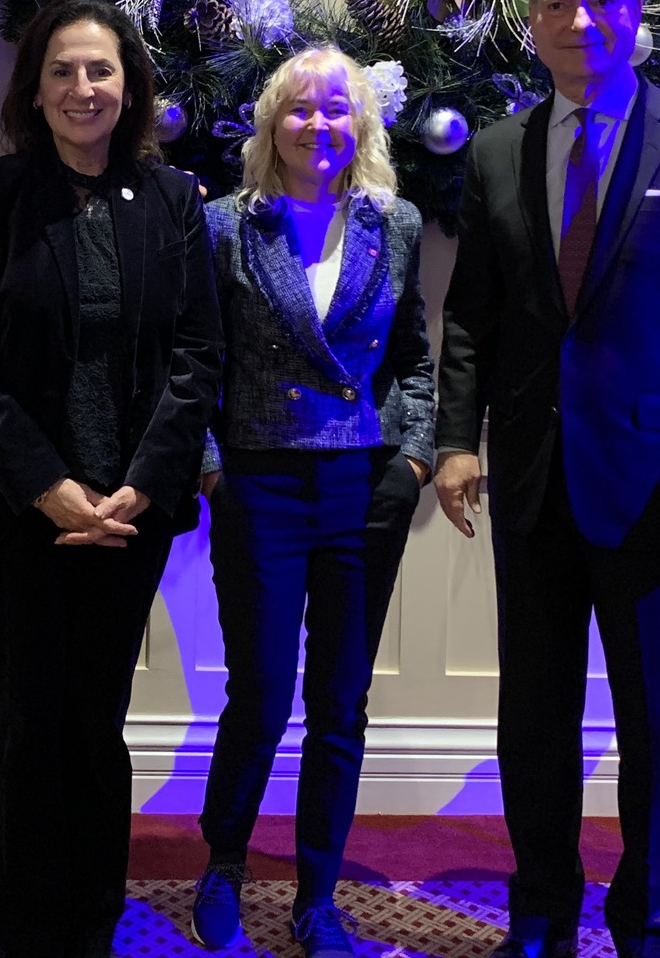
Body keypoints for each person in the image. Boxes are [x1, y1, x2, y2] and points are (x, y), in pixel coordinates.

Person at [434, 0, 660, 958]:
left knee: (656, 728)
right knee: (532, 724)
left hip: (658, 491)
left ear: (633, 10)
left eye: (601, 0)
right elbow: (469, 318)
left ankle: (654, 925)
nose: (580, 20)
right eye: (557, 4)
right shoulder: (496, 150)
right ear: (531, 25)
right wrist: (456, 441)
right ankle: (540, 917)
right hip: (532, 484)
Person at [0, 0, 223, 958]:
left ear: (129, 86)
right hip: (18, 511)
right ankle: (19, 932)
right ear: (35, 89)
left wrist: (145, 480)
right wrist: (46, 485)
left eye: (100, 70)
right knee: (19, 728)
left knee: (96, 726)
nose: (82, 88)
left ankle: (90, 926)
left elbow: (196, 354)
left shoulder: (173, 199)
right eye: (62, 70)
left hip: (128, 514)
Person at [190, 48, 436, 958]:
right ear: (270, 123)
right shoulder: (225, 225)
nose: (317, 124)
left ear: (360, 123)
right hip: (260, 482)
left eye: (336, 108)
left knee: (340, 703)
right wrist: (212, 469)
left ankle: (318, 897)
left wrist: (413, 460)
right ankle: (223, 865)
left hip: (362, 488)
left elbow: (413, 359)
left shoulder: (395, 222)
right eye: (299, 107)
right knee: (259, 695)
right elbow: (195, 360)